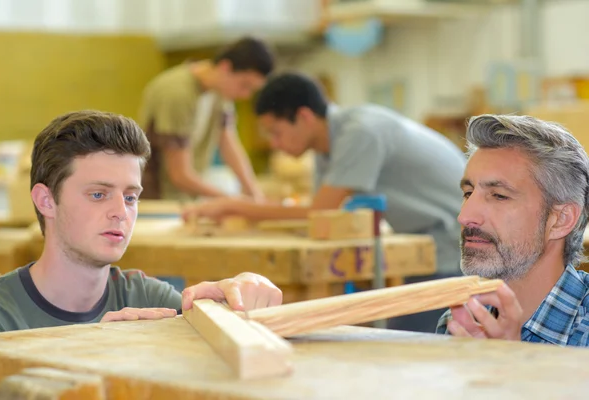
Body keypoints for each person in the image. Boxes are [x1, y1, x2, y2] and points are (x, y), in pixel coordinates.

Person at [185, 72, 467, 333]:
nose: (274, 143)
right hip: (428, 243)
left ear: (305, 117)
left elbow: (319, 211)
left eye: (276, 132)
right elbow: (318, 213)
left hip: (454, 244)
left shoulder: (360, 132)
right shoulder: (326, 147)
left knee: (410, 342)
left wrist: (234, 206)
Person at [0, 110, 282, 333]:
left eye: (130, 197)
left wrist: (238, 298)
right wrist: (96, 349)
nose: (121, 212)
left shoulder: (146, 297)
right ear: (46, 201)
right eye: (98, 194)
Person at [435, 114, 589, 346]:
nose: (465, 217)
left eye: (499, 196)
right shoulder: (463, 321)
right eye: (468, 193)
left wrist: (510, 363)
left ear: (560, 220)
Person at [137, 36, 275, 201]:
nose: (245, 95)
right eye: (244, 85)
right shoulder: (178, 93)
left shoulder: (220, 92)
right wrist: (231, 201)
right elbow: (179, 174)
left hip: (186, 199)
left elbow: (229, 144)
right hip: (159, 201)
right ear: (225, 67)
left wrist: (254, 194)